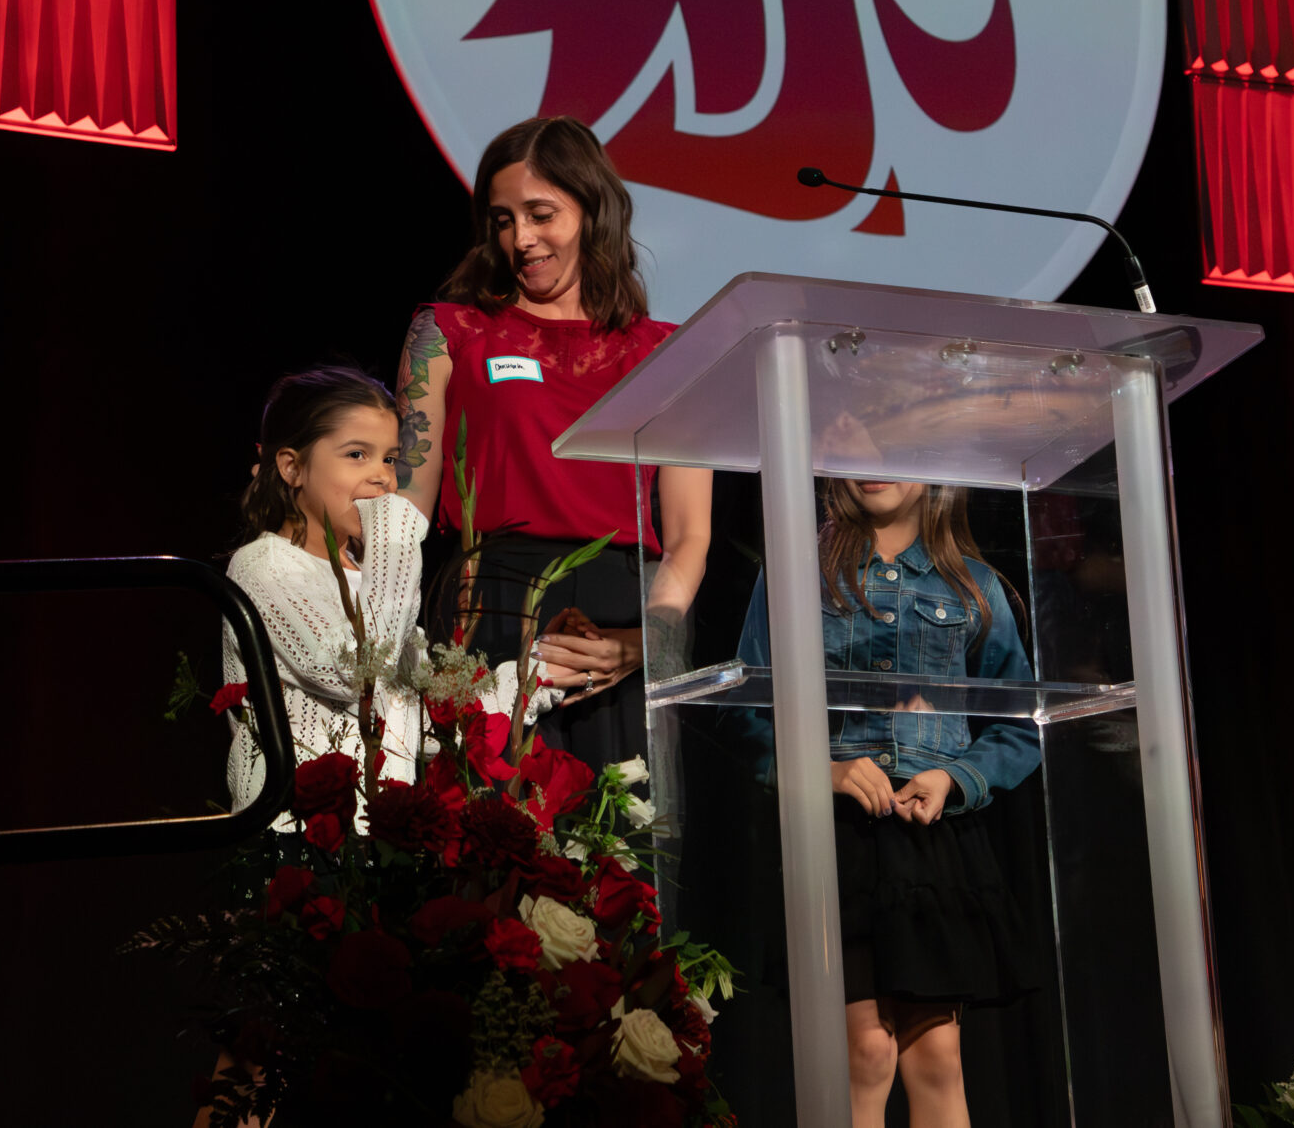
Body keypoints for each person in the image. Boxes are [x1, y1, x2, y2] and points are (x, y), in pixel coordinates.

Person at [391, 115, 711, 771]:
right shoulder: (447, 333)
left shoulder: (670, 352)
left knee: (617, 828)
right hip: (488, 612)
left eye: (541, 214)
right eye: (503, 220)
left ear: (594, 211)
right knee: (490, 821)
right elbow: (403, 518)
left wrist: (642, 642)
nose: (522, 238)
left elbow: (689, 537)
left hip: (618, 632)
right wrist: (383, 652)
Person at [735, 479, 1045, 1128]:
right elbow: (746, 708)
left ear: (933, 468)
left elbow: (1019, 724)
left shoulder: (975, 585)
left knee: (937, 1058)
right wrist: (821, 769)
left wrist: (955, 778)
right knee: (865, 1052)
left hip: (932, 839)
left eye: (892, 447)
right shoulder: (794, 575)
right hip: (837, 838)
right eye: (859, 447)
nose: (874, 468)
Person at [219, 366, 553, 818]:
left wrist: (541, 670)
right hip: (295, 836)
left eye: (390, 459)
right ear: (292, 467)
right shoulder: (265, 566)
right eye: (357, 454)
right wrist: (394, 540)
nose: (383, 478)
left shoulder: (374, 575)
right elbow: (357, 675)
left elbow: (420, 718)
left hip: (379, 836)